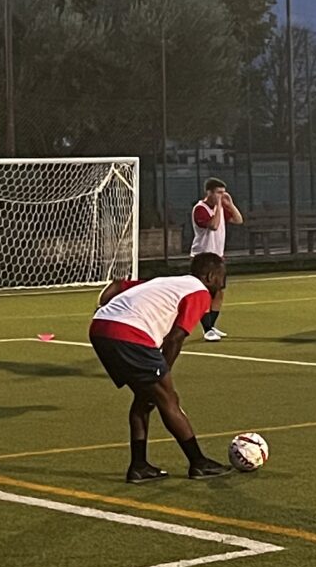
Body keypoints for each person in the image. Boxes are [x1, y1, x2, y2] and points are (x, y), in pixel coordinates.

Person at [89, 257, 231, 480]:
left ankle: (139, 465)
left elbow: (116, 285)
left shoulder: (166, 281)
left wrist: (102, 309)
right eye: (222, 277)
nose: (223, 283)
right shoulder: (199, 293)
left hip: (100, 328)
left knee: (144, 398)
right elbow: (175, 338)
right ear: (210, 277)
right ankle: (198, 462)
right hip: (130, 335)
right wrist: (164, 371)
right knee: (168, 399)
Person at [188, 178, 242, 339]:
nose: (221, 196)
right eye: (218, 193)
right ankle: (207, 329)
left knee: (218, 293)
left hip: (218, 257)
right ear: (209, 192)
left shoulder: (220, 209)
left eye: (223, 193)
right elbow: (214, 225)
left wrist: (230, 204)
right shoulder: (200, 209)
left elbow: (239, 220)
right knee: (205, 293)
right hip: (203, 257)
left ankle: (211, 326)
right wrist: (219, 205)